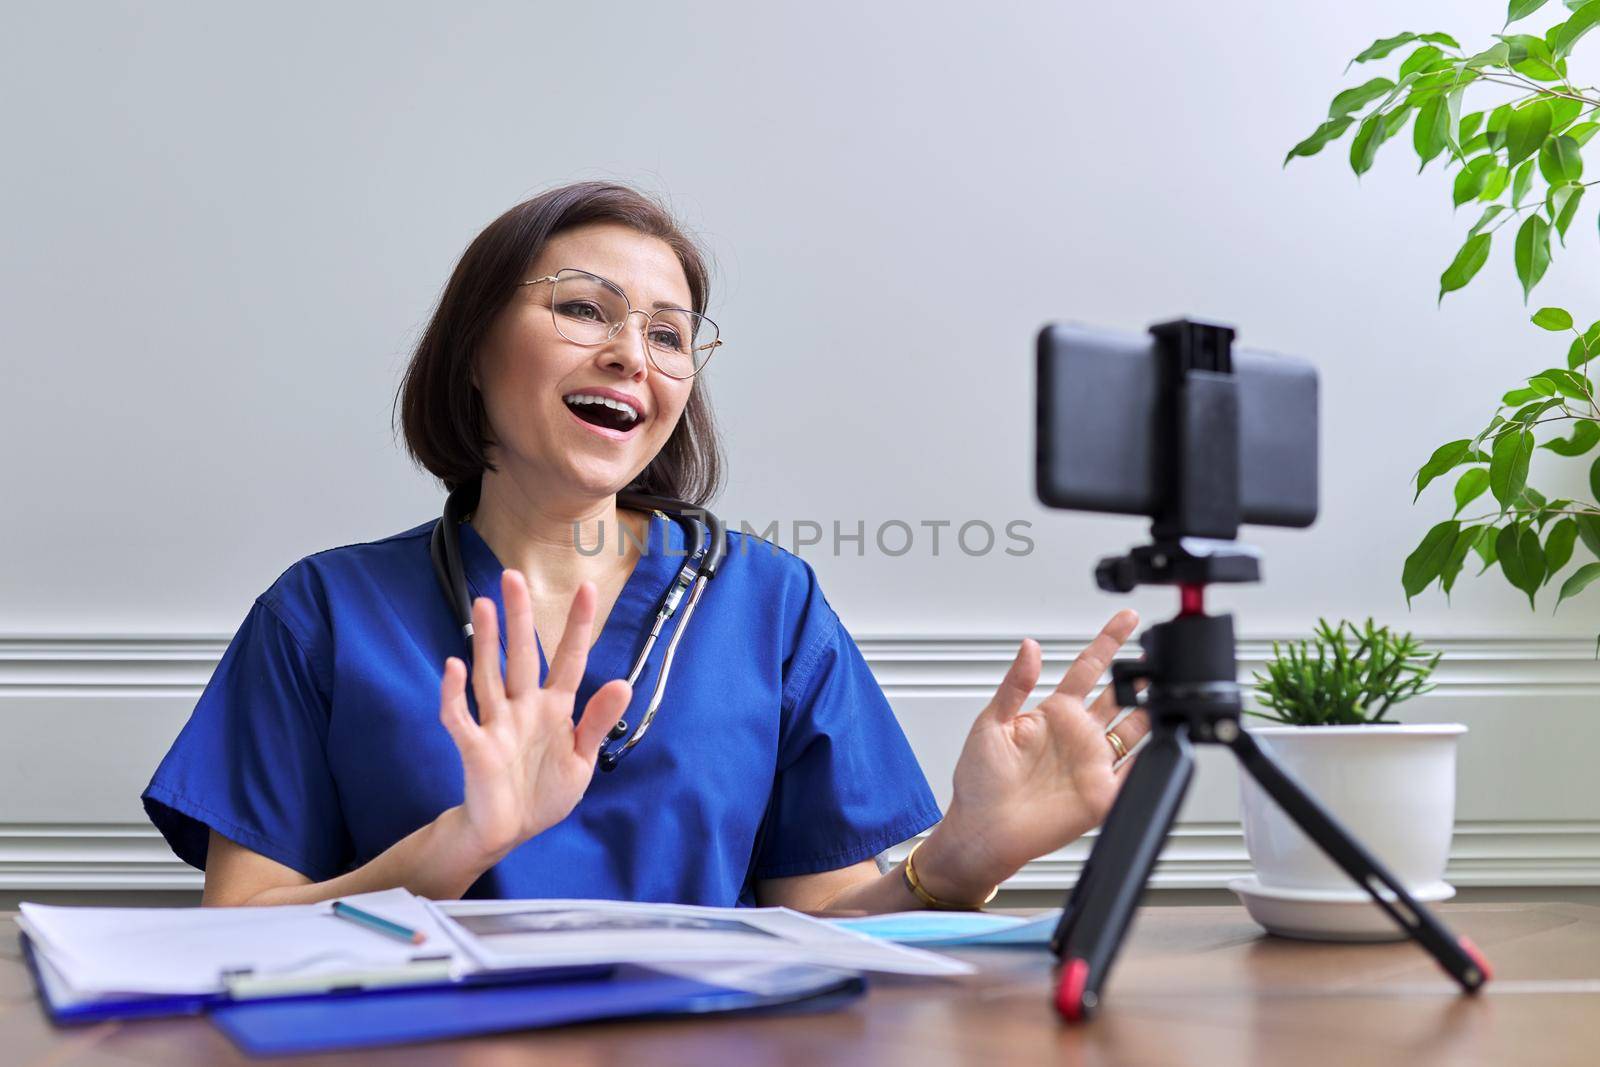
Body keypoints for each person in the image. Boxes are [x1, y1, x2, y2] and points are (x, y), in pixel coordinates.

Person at [141, 181, 1150, 911]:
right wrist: (458, 842)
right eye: (583, 309)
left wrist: (960, 861)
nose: (634, 352)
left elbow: (826, 925)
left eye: (670, 334)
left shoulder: (770, 601)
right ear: (473, 353)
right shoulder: (322, 612)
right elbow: (245, 924)